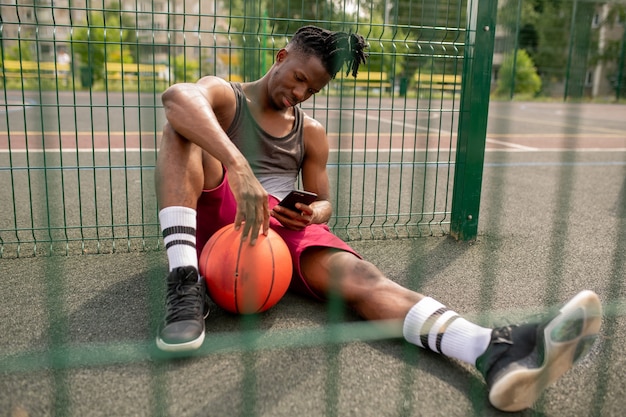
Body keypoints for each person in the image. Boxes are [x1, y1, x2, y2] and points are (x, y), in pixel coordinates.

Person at [153, 25, 602, 412]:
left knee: (364, 278)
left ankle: (493, 350)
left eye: (311, 90)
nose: (298, 92)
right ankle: (184, 280)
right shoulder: (225, 94)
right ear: (281, 56)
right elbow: (176, 97)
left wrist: (311, 212)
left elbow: (326, 203)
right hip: (225, 209)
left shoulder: (309, 132)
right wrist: (238, 166)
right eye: (298, 78)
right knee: (182, 129)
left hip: (282, 230)